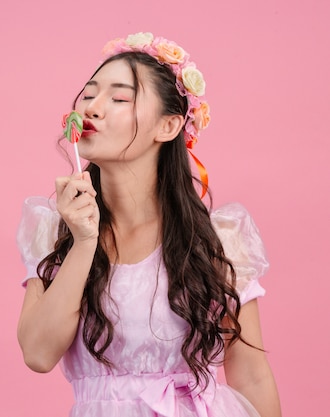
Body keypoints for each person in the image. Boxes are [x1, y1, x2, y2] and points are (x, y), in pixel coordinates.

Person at [16, 32, 281, 417]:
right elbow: (38, 354)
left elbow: (253, 376)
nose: (93, 108)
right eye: (89, 95)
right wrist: (84, 241)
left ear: (168, 126)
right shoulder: (54, 230)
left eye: (119, 98)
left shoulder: (219, 240)